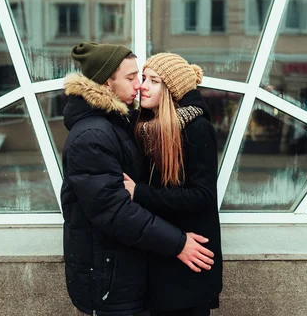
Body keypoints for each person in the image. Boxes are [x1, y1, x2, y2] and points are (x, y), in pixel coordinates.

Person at [62, 42, 215, 316]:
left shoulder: (123, 122)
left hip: (139, 269)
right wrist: (176, 243)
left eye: (145, 79)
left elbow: (198, 190)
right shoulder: (94, 134)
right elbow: (114, 209)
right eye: (133, 78)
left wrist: (189, 98)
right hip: (112, 273)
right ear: (108, 83)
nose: (140, 85)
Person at [124, 53, 223, 316]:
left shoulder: (196, 129)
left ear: (171, 90)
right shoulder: (144, 128)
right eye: (143, 78)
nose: (143, 85)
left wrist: (139, 193)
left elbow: (202, 195)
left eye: (153, 80)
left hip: (189, 264)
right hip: (160, 253)